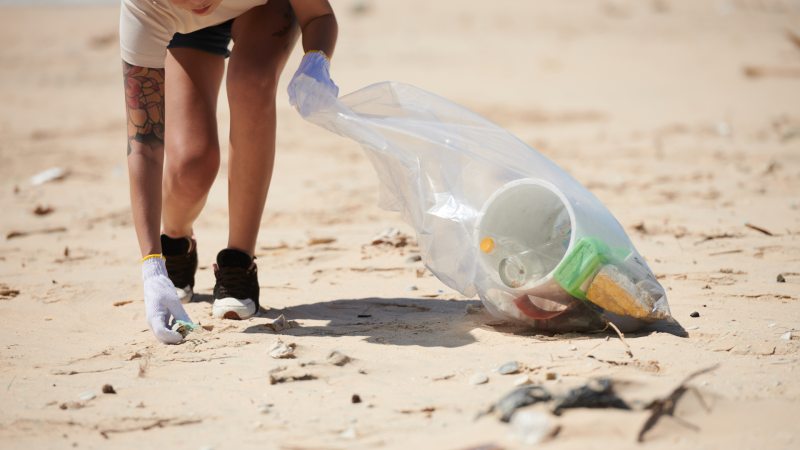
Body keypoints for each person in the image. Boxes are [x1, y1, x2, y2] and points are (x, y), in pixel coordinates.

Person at [120, 0, 339, 344]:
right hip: (183, 28)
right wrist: (152, 267)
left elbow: (320, 15)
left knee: (251, 82)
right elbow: (143, 142)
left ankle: (239, 259)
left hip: (262, 7)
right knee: (192, 166)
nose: (200, 3)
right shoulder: (144, 8)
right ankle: (176, 239)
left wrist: (316, 62)